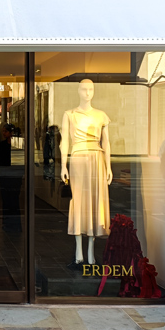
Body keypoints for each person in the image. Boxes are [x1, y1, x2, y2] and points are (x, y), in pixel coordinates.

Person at [60, 79, 112, 267]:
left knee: (95, 202)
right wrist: (63, 165)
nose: (88, 93)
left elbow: (106, 143)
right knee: (79, 201)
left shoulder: (101, 115)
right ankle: (78, 250)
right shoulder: (70, 114)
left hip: (97, 159)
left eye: (91, 89)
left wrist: (109, 166)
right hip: (78, 159)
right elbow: (64, 140)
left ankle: (90, 250)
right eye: (84, 89)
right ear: (78, 91)